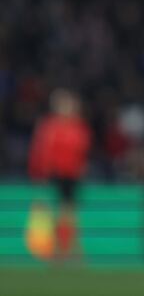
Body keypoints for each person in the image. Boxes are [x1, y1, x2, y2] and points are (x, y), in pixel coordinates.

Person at [27, 88, 91, 261]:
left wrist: (81, 169)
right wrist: (41, 174)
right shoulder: (50, 126)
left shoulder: (79, 126)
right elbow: (42, 151)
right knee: (56, 212)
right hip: (54, 174)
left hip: (72, 175)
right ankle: (56, 249)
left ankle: (68, 249)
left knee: (69, 212)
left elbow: (82, 152)